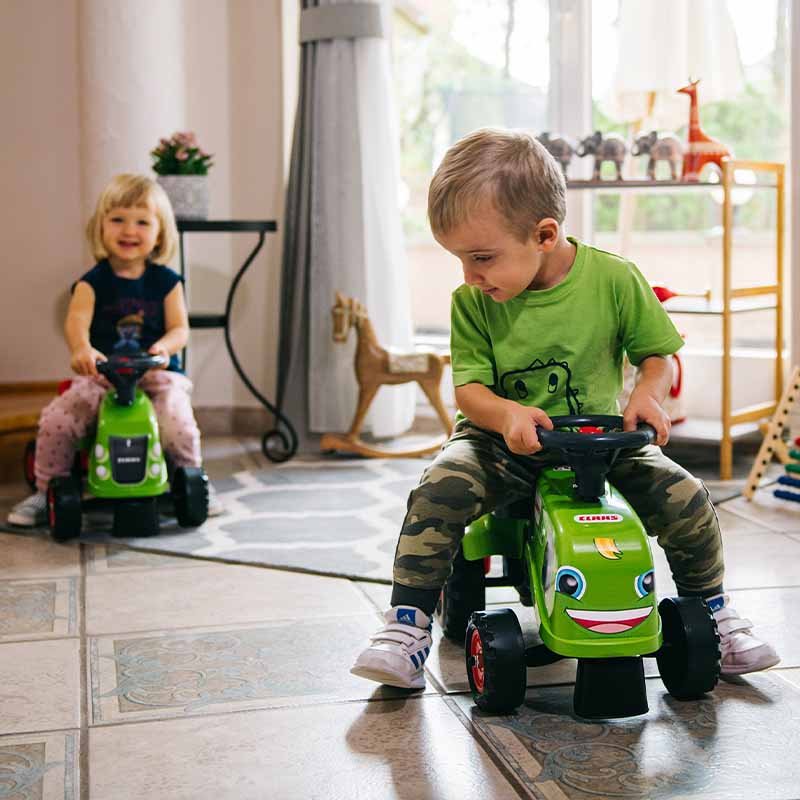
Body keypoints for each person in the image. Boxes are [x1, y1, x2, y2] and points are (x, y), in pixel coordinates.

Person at [351, 128, 779, 689]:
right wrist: (506, 415)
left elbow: (658, 355)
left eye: (481, 258)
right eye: (460, 259)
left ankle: (717, 615)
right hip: (499, 444)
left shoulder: (615, 280)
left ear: (544, 235)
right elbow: (470, 392)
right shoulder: (472, 303)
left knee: (686, 497)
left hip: (601, 444)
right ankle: (406, 626)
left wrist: (646, 395)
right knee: (441, 486)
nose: (469, 276)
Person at [8, 173, 223, 527]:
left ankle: (191, 480)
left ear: (159, 233)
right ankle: (46, 489)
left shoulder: (167, 283)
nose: (129, 230)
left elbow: (180, 328)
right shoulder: (91, 284)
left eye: (142, 221)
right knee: (59, 420)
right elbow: (76, 322)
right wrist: (82, 349)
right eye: (118, 219)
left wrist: (164, 348)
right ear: (101, 227)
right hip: (102, 376)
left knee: (178, 423)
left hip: (156, 374)